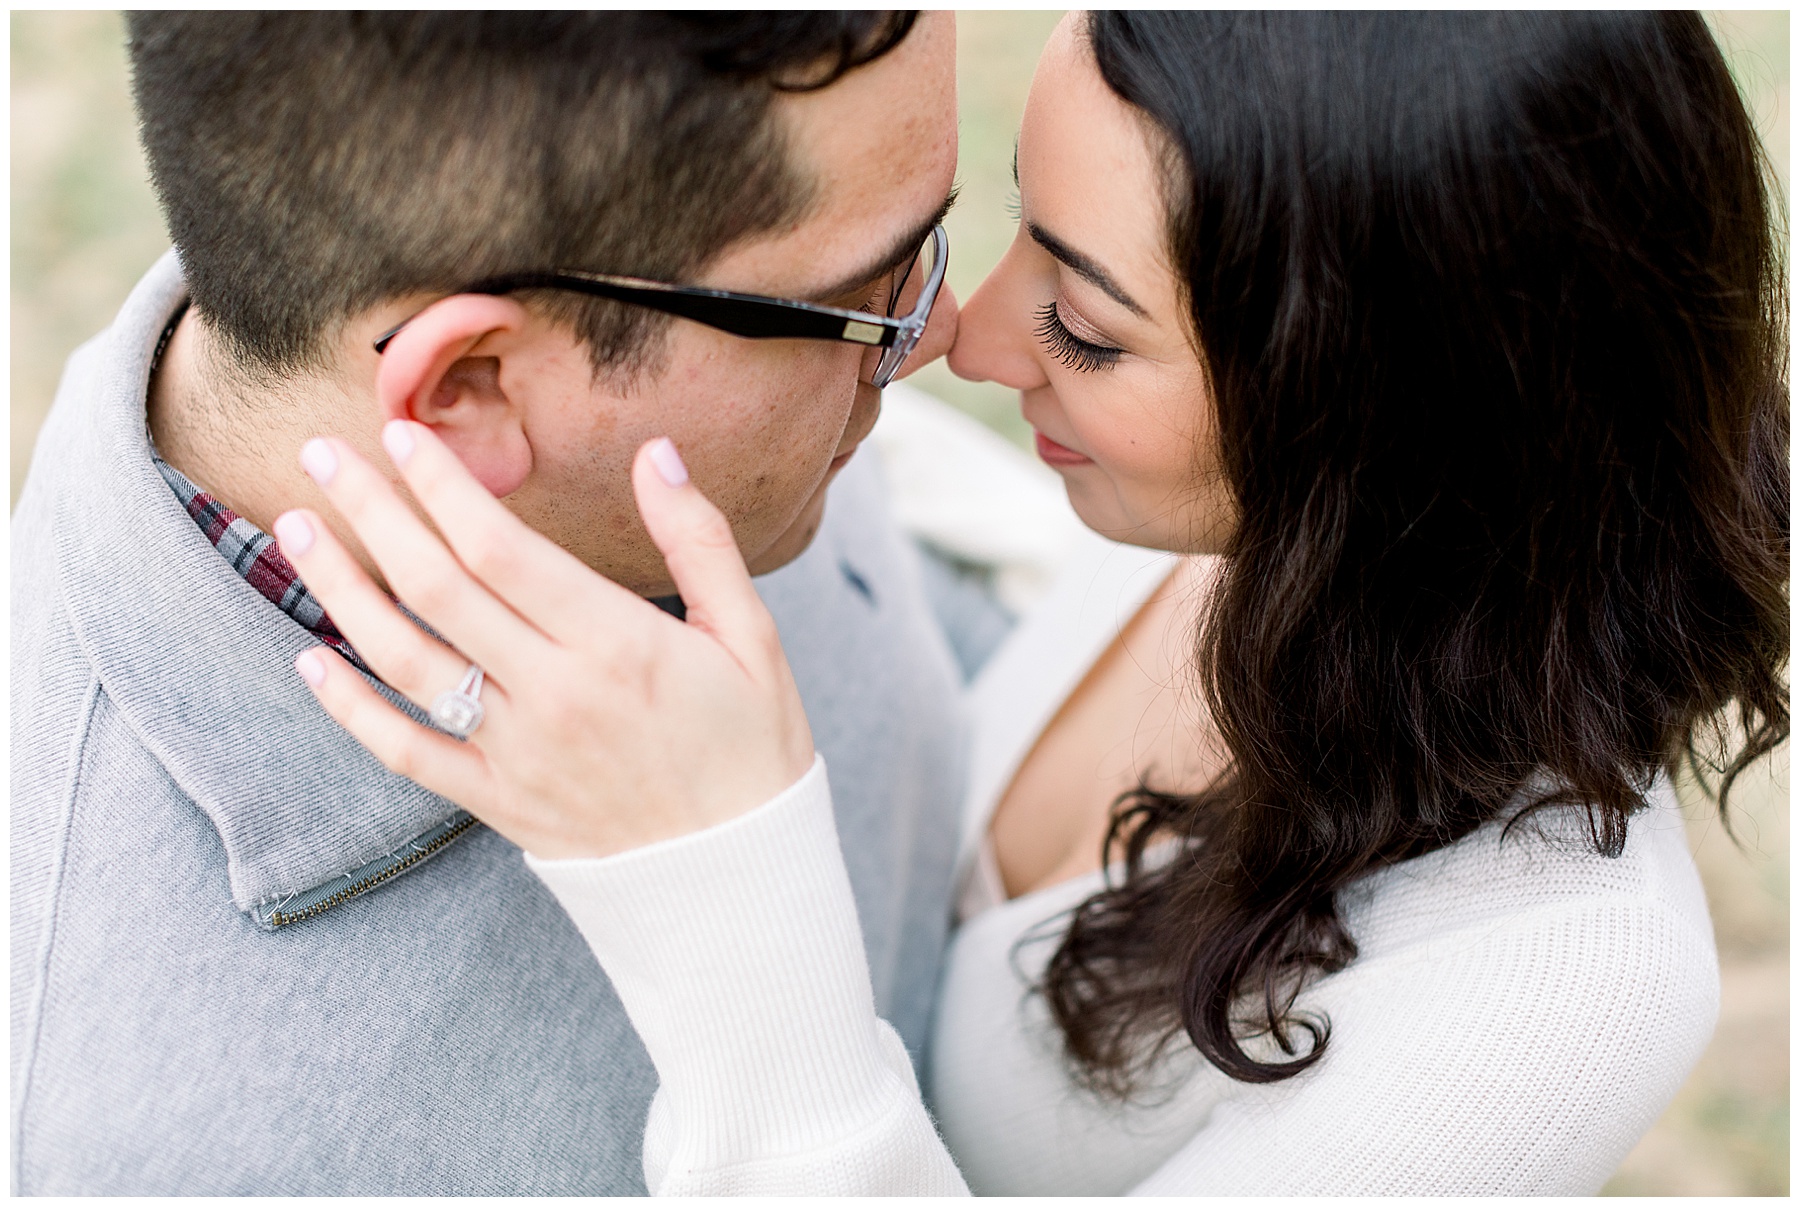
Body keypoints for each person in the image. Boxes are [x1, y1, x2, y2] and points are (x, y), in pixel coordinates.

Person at [283, 10, 1789, 1196]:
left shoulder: (1557, 982)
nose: (968, 336)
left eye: (1083, 322)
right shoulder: (1288, 541)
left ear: (1384, 430)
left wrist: (716, 880)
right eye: (1017, 231)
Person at [9, 12, 982, 1195]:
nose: (940, 336)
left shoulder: (663, 396)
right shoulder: (122, 1145)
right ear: (470, 389)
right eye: (877, 291)